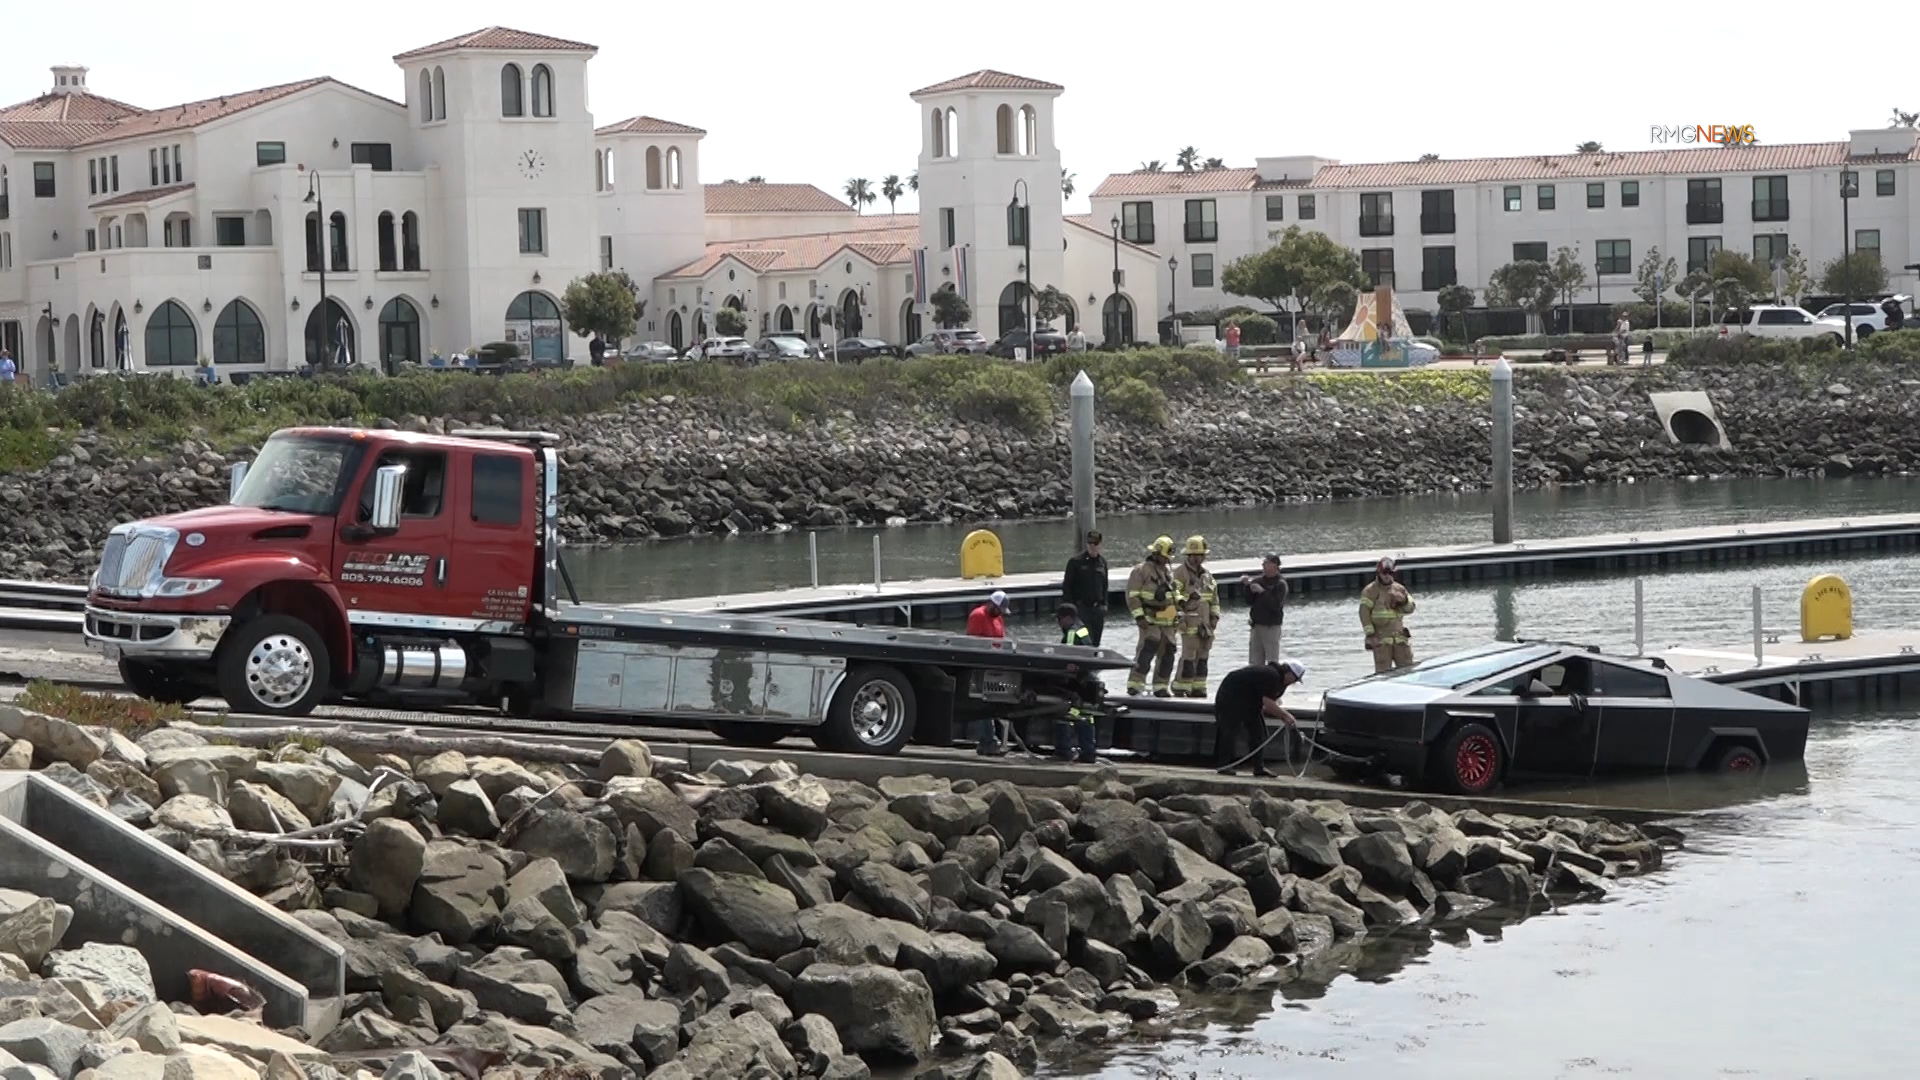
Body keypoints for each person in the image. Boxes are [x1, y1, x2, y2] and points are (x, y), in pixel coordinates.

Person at [1214, 659, 1306, 777]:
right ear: (1289, 673)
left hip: (1250, 700)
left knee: (1259, 733)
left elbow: (1267, 704)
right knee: (1229, 730)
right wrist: (1286, 715)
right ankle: (1224, 765)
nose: (1294, 683)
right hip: (1230, 695)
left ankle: (1258, 767)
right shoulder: (1271, 676)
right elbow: (1267, 702)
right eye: (1295, 679)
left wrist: (1282, 717)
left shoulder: (1280, 683)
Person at [1125, 536, 1181, 697]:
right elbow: (1133, 596)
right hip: (1149, 620)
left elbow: (1174, 593)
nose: (1166, 560)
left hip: (1168, 621)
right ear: (1156, 553)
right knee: (1146, 650)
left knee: (1168, 653)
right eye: (1164, 556)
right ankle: (1135, 684)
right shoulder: (1141, 571)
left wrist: (1180, 605)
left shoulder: (1168, 572)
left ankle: (1161, 687)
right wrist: (1139, 617)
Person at [1171, 535, 1219, 698]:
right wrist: (1180, 616)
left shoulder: (1207, 575)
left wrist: (1215, 616)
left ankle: (1199, 687)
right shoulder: (1179, 573)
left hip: (1205, 624)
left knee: (1203, 657)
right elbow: (1173, 596)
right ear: (1189, 555)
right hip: (1189, 622)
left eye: (1202, 555)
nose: (1200, 558)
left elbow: (1214, 598)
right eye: (1197, 555)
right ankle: (1180, 686)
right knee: (1189, 658)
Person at [1053, 603, 1102, 764]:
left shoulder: (1072, 633)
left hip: (1077, 683)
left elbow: (1068, 658)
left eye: (1059, 619)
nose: (1058, 623)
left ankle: (1064, 752)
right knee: (1086, 716)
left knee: (1063, 714)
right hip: (1088, 680)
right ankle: (1089, 753)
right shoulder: (1083, 629)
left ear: (1067, 618)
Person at [968, 590, 1011, 755]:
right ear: (992, 604)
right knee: (984, 704)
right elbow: (973, 643)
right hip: (981, 666)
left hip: (995, 667)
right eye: (999, 609)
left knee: (992, 704)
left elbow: (1001, 639)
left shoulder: (998, 617)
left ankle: (989, 741)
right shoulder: (977, 616)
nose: (1000, 613)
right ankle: (988, 741)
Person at [1360, 557, 1416, 673]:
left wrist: (1403, 600)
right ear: (1379, 573)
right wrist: (1370, 634)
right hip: (1381, 641)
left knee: (1408, 672)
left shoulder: (1400, 589)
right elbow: (1364, 613)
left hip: (1400, 639)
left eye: (1391, 573)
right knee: (1383, 676)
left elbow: (1411, 608)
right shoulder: (1370, 591)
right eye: (1385, 573)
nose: (1387, 576)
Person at [1060, 530, 1109, 646]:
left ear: (1101, 545)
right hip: (1081, 610)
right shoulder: (1075, 562)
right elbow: (1067, 587)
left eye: (1095, 544)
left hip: (1097, 611)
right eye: (1089, 543)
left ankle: (1095, 663)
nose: (1092, 546)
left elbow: (1105, 586)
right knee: (1086, 642)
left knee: (1096, 643)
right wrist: (1070, 610)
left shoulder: (1102, 563)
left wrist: (1105, 605)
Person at [1244, 553, 1289, 666]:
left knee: (1272, 661)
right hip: (1256, 626)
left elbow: (1275, 605)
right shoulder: (1258, 581)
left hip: (1271, 627)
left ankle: (1271, 681)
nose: (1264, 566)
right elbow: (1249, 601)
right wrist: (1247, 587)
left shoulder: (1280, 584)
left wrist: (1262, 592)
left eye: (1267, 564)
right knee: (1254, 662)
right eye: (1263, 564)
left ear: (1275, 566)